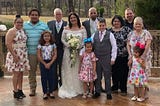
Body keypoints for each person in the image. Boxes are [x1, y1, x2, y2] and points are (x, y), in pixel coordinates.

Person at [58, 12, 87, 98]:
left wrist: (78, 46)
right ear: (69, 20)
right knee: (68, 69)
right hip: (68, 52)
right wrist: (69, 45)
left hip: (79, 53)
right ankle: (69, 87)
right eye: (71, 18)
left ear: (77, 18)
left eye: (74, 18)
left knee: (78, 69)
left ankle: (79, 87)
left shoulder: (82, 29)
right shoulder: (66, 28)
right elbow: (62, 39)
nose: (73, 19)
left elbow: (85, 39)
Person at [23, 8, 49, 96]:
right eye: (32, 15)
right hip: (31, 53)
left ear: (39, 16)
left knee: (45, 71)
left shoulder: (44, 25)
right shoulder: (24, 25)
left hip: (43, 53)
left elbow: (49, 36)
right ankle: (32, 89)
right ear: (29, 16)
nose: (34, 16)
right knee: (31, 72)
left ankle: (47, 89)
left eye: (36, 15)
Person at [5, 15, 30, 99]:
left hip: (22, 54)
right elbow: (8, 44)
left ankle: (20, 89)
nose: (20, 24)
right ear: (14, 23)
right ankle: (15, 91)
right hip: (15, 54)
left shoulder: (23, 30)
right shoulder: (11, 31)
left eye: (21, 22)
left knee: (21, 73)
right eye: (18, 22)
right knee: (16, 73)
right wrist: (14, 55)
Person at [127, 17, 152, 99]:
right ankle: (137, 94)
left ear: (142, 24)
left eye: (139, 24)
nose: (137, 25)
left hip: (144, 58)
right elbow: (128, 44)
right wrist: (130, 55)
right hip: (134, 59)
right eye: (136, 24)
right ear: (133, 25)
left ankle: (145, 93)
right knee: (136, 77)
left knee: (144, 77)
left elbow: (148, 44)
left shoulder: (146, 33)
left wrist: (143, 56)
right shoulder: (131, 34)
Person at [92, 18, 117, 100]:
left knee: (107, 75)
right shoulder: (94, 34)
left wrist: (113, 58)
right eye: (100, 26)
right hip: (97, 58)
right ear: (97, 26)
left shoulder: (110, 35)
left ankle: (108, 92)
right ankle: (97, 91)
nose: (101, 27)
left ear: (105, 26)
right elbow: (89, 43)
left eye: (103, 25)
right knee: (98, 76)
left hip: (106, 58)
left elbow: (114, 47)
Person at [109, 15, 131, 96]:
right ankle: (115, 87)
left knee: (124, 72)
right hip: (113, 55)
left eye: (118, 21)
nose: (116, 23)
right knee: (114, 72)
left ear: (121, 22)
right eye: (114, 21)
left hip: (124, 54)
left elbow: (130, 41)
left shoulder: (126, 29)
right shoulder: (109, 30)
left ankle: (123, 89)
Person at [47, 8, 67, 88]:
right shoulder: (49, 24)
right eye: (56, 14)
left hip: (63, 49)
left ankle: (62, 84)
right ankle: (54, 85)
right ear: (54, 15)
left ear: (62, 15)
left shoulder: (67, 24)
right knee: (53, 67)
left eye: (59, 14)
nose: (58, 16)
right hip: (52, 50)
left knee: (62, 67)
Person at [37, 31, 57, 99]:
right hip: (43, 62)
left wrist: (50, 63)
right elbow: (39, 55)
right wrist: (45, 63)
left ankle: (51, 92)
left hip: (51, 62)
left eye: (48, 36)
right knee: (44, 77)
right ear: (42, 37)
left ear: (50, 37)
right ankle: (45, 92)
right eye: (45, 36)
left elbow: (55, 54)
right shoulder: (40, 45)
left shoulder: (53, 44)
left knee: (51, 77)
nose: (46, 37)